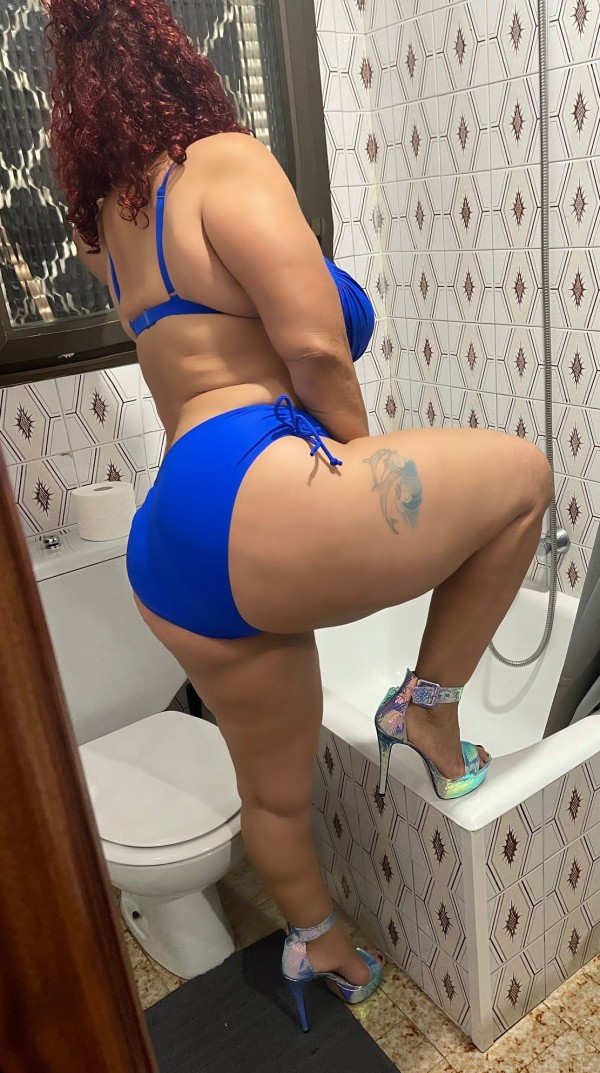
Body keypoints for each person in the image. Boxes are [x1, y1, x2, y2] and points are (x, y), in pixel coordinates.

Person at [45, 0, 553, 1031]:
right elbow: (317, 344)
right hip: (255, 480)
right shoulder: (222, 162)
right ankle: (429, 709)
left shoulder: (106, 227)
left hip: (171, 540)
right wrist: (355, 466)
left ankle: (321, 945)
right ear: (173, 53)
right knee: (524, 479)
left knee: (271, 789)